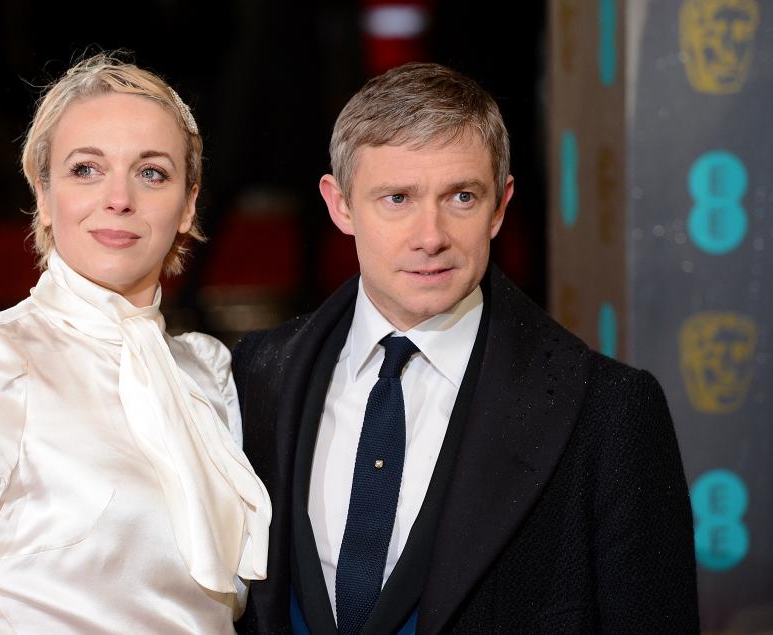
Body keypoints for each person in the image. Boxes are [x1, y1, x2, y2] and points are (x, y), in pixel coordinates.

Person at [232, 63, 698, 634]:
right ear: (340, 205)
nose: (431, 236)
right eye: (398, 198)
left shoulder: (609, 411)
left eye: (461, 196)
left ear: (500, 206)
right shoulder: (255, 375)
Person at [0, 52, 271, 633]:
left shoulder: (205, 373)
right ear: (43, 194)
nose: (119, 198)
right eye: (86, 169)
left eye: (152, 172)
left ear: (187, 204)